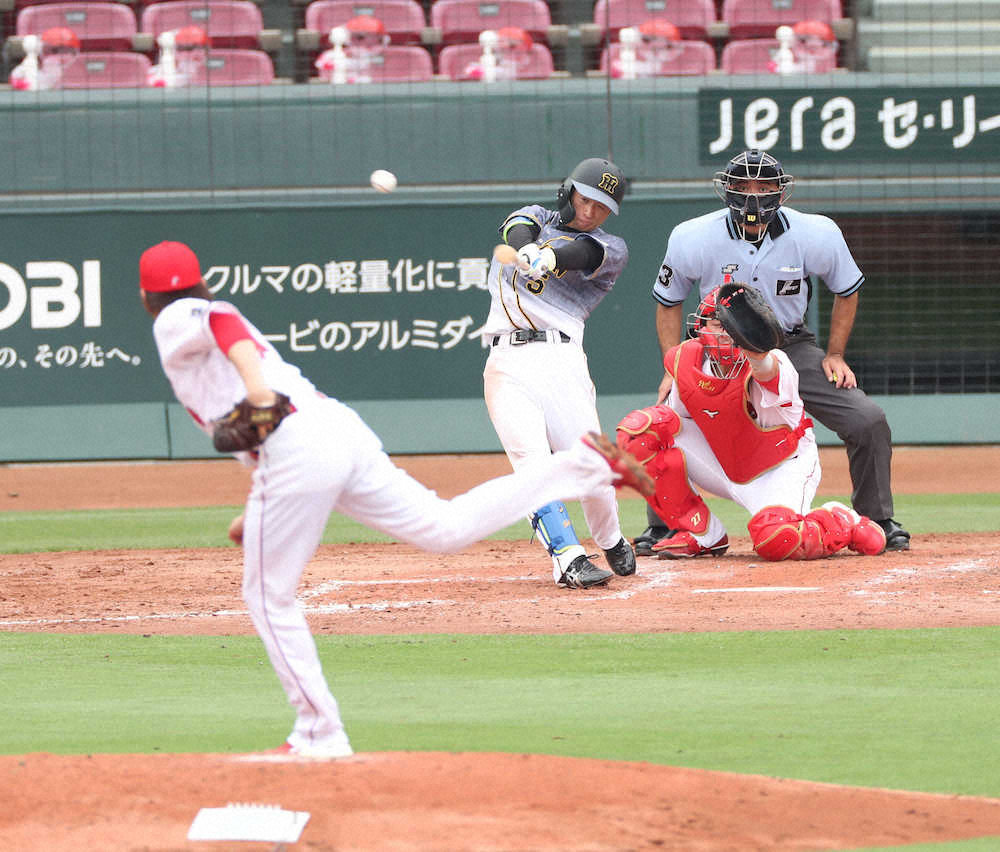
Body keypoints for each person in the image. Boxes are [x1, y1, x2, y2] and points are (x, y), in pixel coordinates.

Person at [139, 240, 648, 758]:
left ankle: (319, 733)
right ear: (201, 278)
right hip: (333, 430)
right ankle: (580, 466)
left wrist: (259, 396)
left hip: (299, 447)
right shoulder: (203, 328)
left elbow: (221, 326)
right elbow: (245, 378)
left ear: (145, 297)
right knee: (443, 528)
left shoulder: (174, 317)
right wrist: (258, 508)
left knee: (268, 597)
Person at [636, 148, 910, 555]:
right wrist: (674, 363)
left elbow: (847, 290)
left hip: (790, 345)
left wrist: (835, 354)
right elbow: (667, 301)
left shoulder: (816, 232)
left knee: (868, 419)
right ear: (725, 190)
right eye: (743, 186)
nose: (752, 196)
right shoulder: (691, 235)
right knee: (659, 426)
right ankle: (667, 526)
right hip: (718, 349)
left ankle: (877, 518)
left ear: (782, 193)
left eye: (764, 187)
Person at [617, 284, 887, 561]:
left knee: (776, 538)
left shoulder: (774, 362)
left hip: (780, 466)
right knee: (640, 430)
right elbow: (675, 423)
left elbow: (765, 370)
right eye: (717, 324)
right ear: (700, 327)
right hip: (724, 462)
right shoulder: (687, 360)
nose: (726, 333)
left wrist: (755, 350)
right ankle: (701, 533)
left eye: (733, 326)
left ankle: (839, 520)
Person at [482, 157, 638, 589]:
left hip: (562, 361)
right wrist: (530, 246)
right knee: (532, 465)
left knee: (592, 467)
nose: (590, 211)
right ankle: (568, 559)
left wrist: (549, 257)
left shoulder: (612, 248)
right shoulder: (535, 217)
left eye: (602, 206)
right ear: (568, 192)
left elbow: (582, 252)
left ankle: (609, 538)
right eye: (585, 198)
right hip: (506, 362)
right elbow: (517, 228)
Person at [315, 15, 389, 84]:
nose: (356, 41)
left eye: (360, 37)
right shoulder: (335, 54)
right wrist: (340, 62)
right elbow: (320, 63)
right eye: (354, 36)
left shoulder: (386, 55)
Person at [9, 27, 80, 91]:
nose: (56, 55)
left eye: (63, 50)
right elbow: (15, 77)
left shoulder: (52, 63)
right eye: (54, 50)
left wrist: (27, 84)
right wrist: (23, 84)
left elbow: (43, 86)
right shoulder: (30, 63)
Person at [610, 19, 681, 80]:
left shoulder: (676, 60)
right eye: (645, 39)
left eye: (647, 39)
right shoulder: (630, 57)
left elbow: (654, 68)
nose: (646, 43)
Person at [462, 26, 535, 82]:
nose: (503, 46)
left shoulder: (525, 60)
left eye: (511, 45)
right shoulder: (496, 56)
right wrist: (476, 69)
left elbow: (509, 73)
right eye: (500, 41)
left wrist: (486, 72)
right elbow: (469, 70)